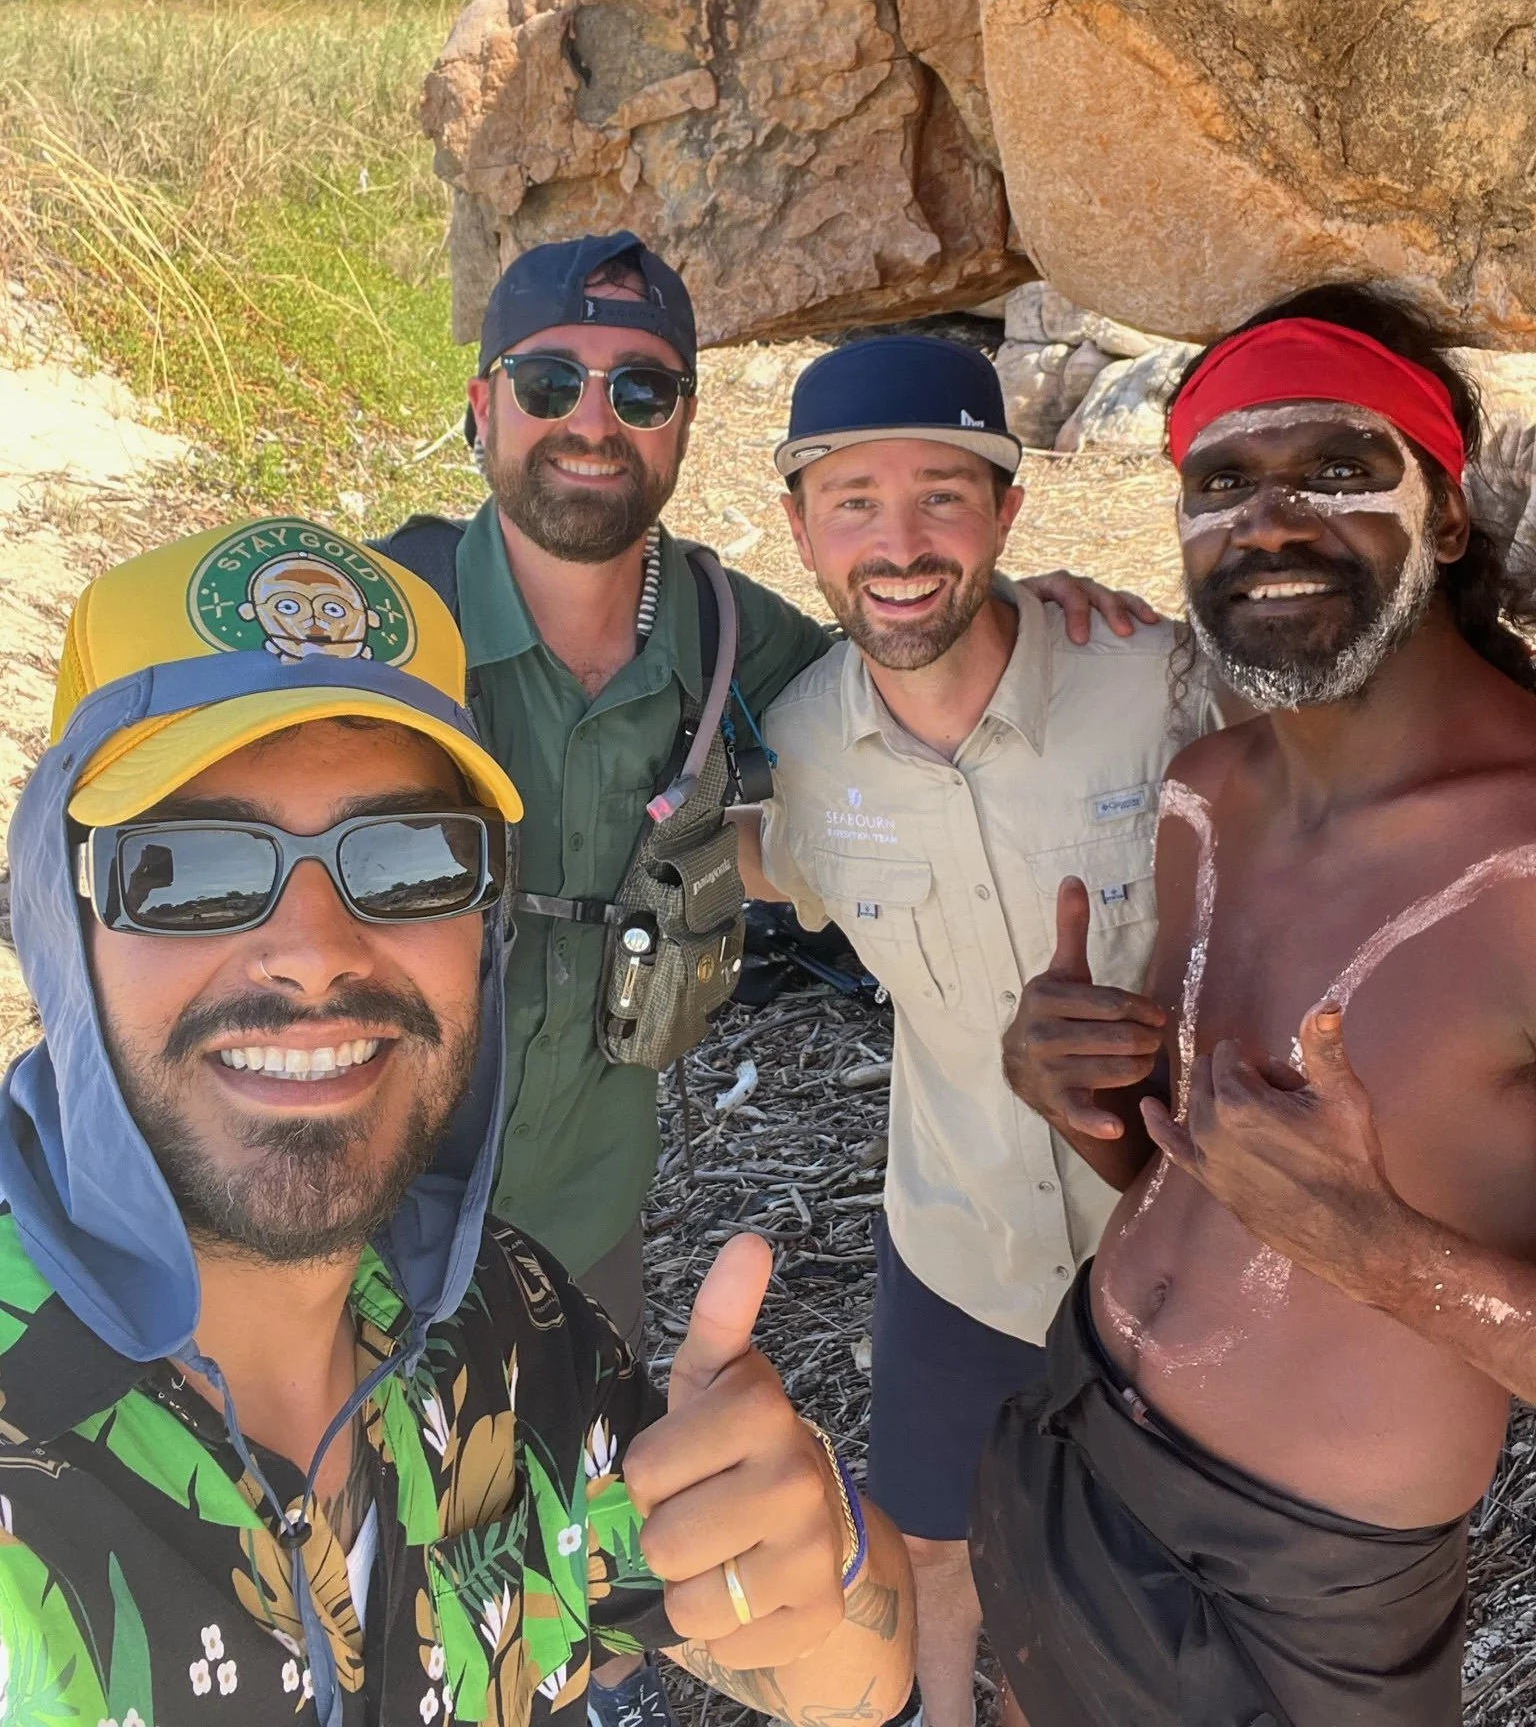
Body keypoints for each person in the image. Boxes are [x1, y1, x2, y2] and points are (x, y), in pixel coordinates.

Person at [0, 517, 915, 1727]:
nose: (316, 955)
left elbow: (852, 1680)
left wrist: (828, 1551)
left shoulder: (508, 1329)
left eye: (412, 858)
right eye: (191, 865)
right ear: (62, 915)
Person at [378, 235, 1140, 1351]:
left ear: (685, 421)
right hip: (345, 1216)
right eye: (551, 382)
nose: (593, 421)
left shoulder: (731, 636)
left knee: (561, 1525)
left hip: (583, 1237)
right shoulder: (371, 623)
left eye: (641, 388)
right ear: (482, 406)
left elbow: (900, 665)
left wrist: (1025, 615)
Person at [983, 285, 1536, 1727]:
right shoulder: (1211, 793)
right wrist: (1076, 1084)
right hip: (1075, 1425)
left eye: (1339, 470)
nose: (1269, 523)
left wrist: (1376, 1248)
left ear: (1453, 514)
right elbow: (1179, 1163)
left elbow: (1320, 1225)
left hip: (1300, 1592)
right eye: (1221, 482)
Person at [728, 334, 1217, 1727]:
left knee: (1136, 1560)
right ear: (800, 530)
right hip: (956, 1243)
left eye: (945, 495)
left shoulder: (1153, 685)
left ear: (1009, 514)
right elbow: (784, 859)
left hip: (1168, 1240)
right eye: (853, 501)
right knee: (935, 1540)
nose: (900, 543)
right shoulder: (809, 741)